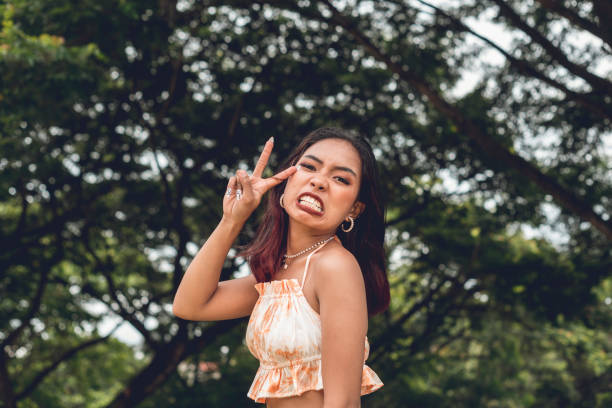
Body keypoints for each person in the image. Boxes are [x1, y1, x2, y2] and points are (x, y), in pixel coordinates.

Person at [173, 127, 390, 407]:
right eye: (309, 166)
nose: (319, 182)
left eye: (340, 178)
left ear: (354, 210)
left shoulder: (335, 266)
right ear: (286, 178)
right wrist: (232, 220)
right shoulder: (279, 272)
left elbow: (344, 402)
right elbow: (190, 305)